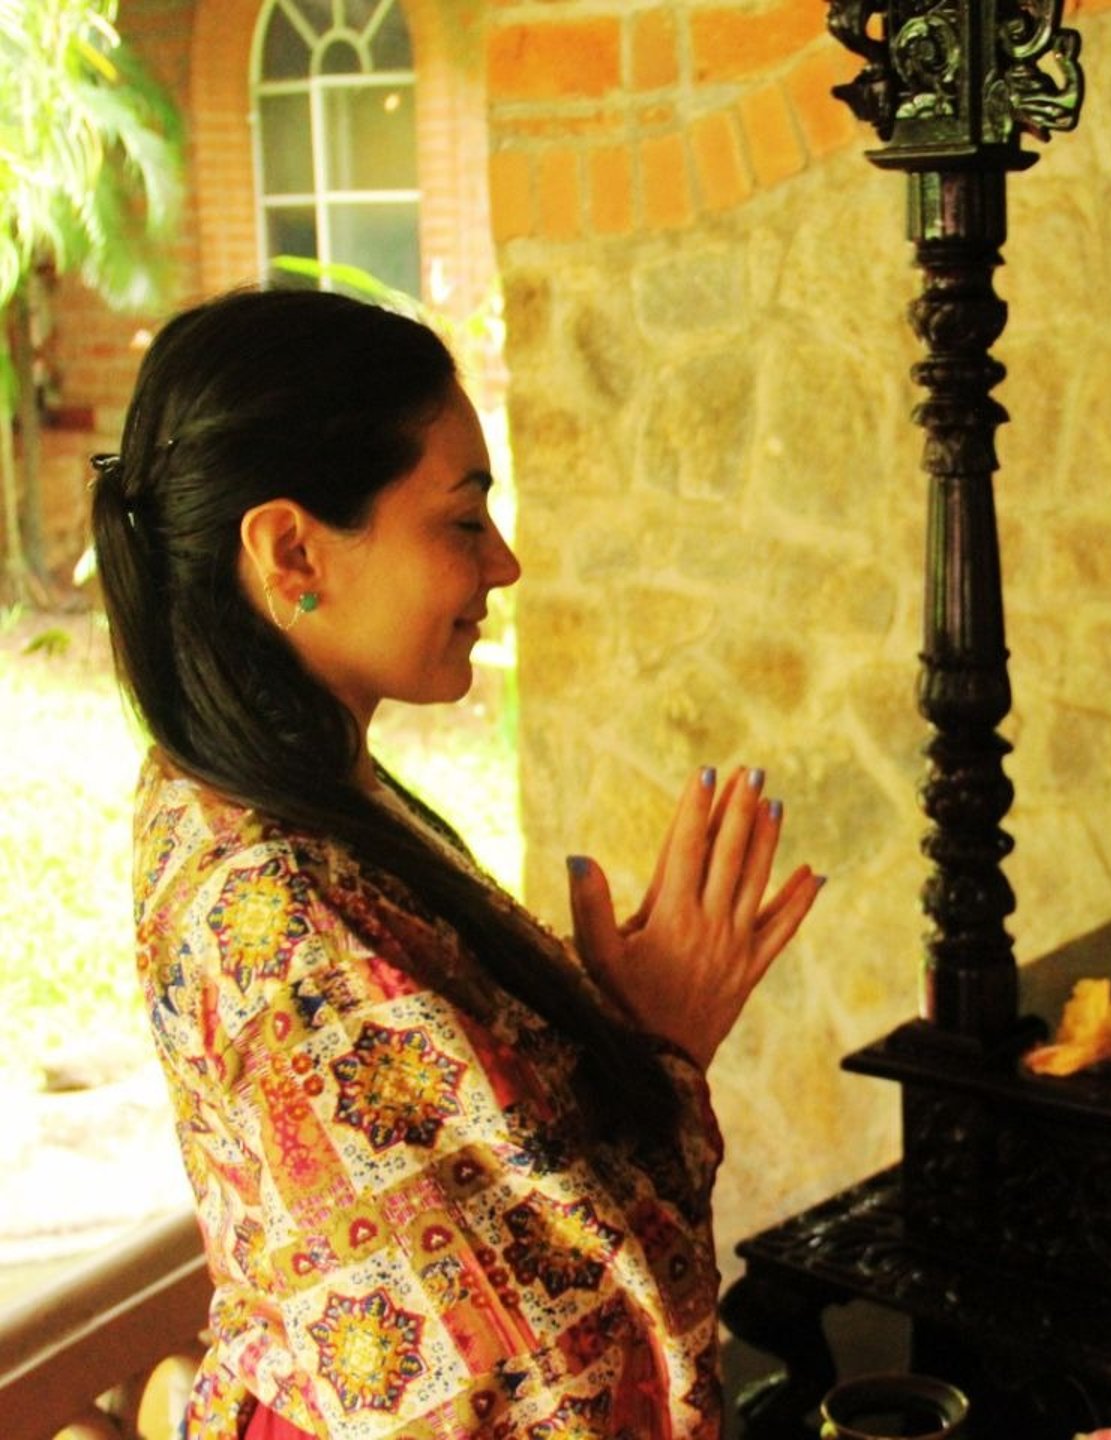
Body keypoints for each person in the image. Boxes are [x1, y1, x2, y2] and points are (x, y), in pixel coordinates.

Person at [90, 288, 822, 1439]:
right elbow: (521, 1366)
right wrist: (663, 1056)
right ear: (290, 549)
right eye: (462, 519)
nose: (507, 563)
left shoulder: (253, 790)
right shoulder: (283, 908)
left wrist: (599, 1039)